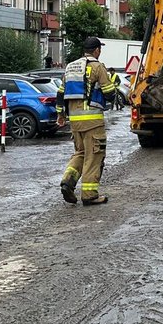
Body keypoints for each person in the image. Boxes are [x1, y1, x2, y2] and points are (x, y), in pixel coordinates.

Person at [59, 36, 113, 206]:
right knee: (94, 156)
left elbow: (61, 94)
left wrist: (60, 114)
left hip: (75, 121)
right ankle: (89, 195)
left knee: (80, 153)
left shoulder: (70, 67)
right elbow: (109, 92)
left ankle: (68, 181)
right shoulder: (98, 67)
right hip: (93, 122)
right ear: (97, 50)